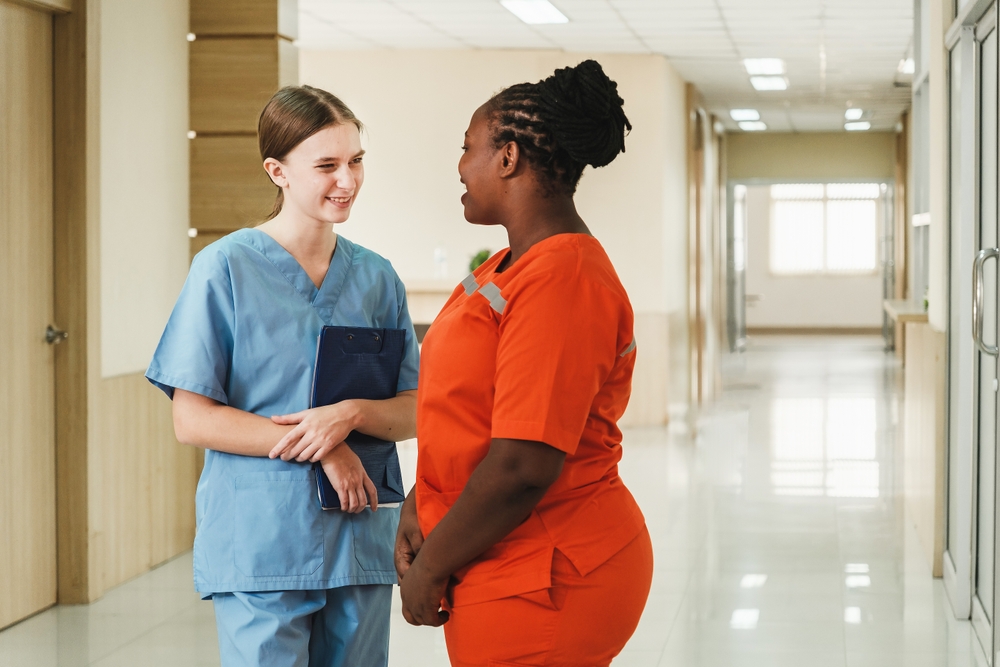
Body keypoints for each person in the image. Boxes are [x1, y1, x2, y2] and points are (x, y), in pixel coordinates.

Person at [146, 85, 419, 667]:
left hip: (358, 536)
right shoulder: (225, 268)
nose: (347, 180)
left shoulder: (377, 278)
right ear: (278, 171)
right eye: (326, 165)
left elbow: (414, 408)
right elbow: (192, 420)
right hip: (262, 540)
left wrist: (351, 415)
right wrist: (324, 446)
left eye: (356, 160)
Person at [395, 60, 653, 666]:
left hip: (549, 573)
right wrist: (419, 502)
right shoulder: (507, 265)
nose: (461, 166)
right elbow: (467, 416)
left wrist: (429, 568)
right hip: (496, 554)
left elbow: (523, 466)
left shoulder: (564, 279)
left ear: (508, 157)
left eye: (468, 148)